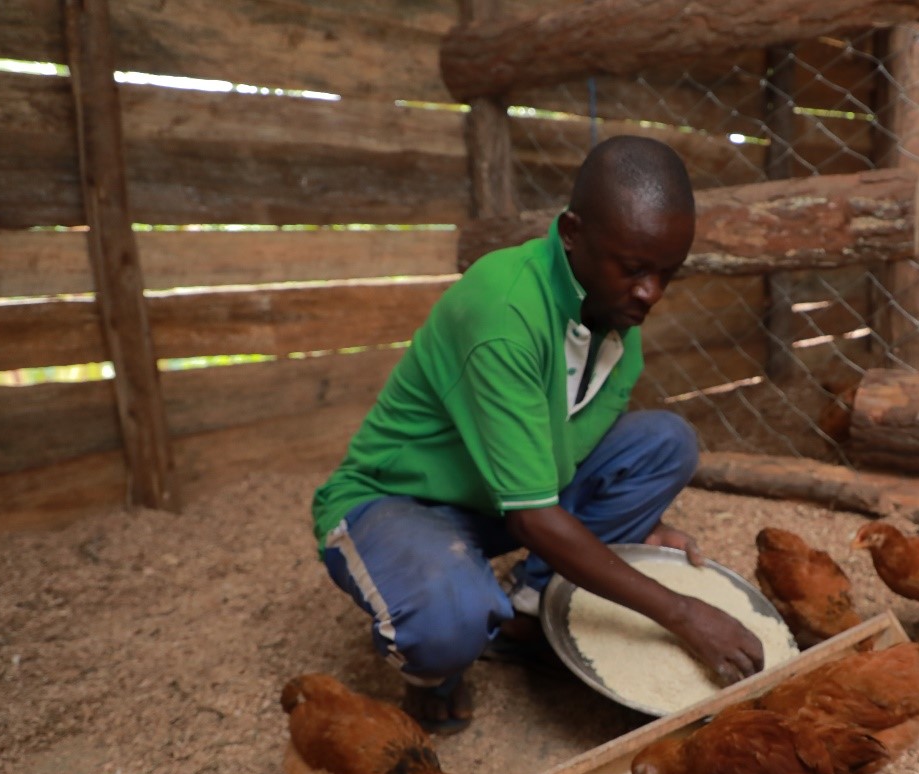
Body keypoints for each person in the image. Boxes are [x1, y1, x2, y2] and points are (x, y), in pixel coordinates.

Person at [311, 135, 765, 731]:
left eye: (666, 273)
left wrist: (636, 525)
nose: (651, 293)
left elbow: (554, 468)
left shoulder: (611, 323)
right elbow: (532, 516)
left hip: (500, 497)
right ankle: (433, 670)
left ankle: (527, 616)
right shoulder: (504, 311)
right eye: (633, 268)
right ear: (572, 232)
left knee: (665, 442)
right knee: (448, 619)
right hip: (398, 502)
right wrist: (682, 613)